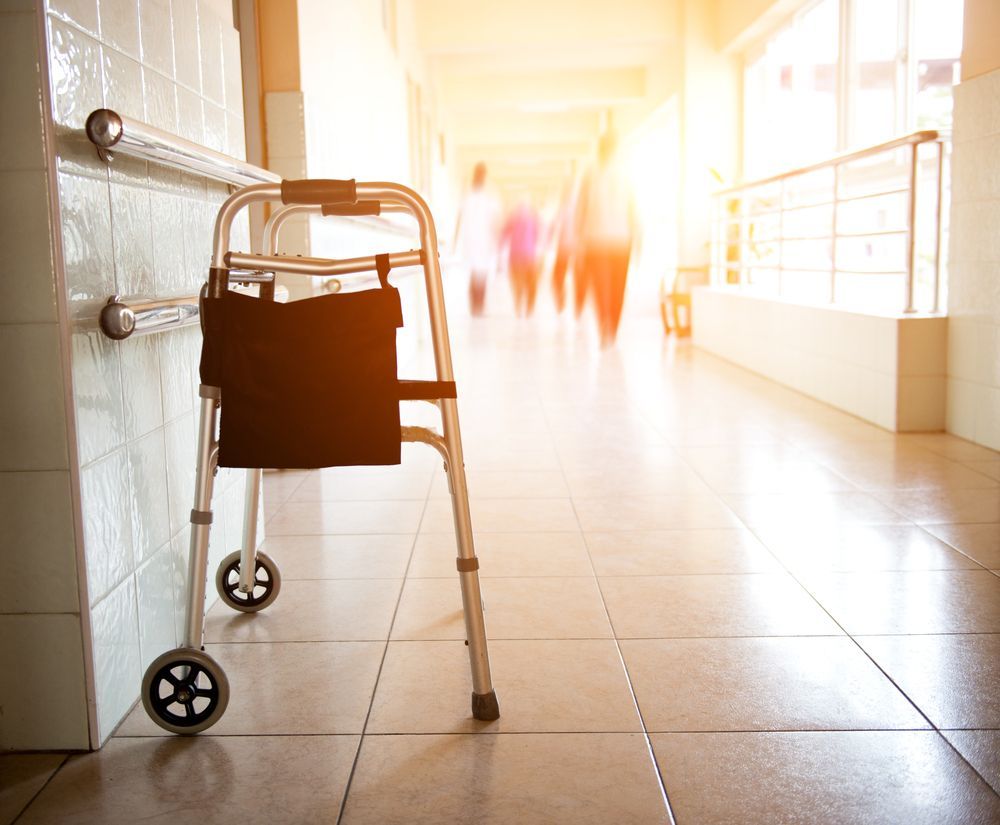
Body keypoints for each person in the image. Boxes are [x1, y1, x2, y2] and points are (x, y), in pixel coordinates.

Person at [575, 131, 636, 345]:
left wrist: (637, 236)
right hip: (601, 241)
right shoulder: (590, 174)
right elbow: (581, 208)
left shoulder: (624, 173)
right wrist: (579, 239)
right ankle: (606, 326)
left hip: (615, 240)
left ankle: (611, 328)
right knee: (603, 287)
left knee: (615, 287)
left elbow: (633, 208)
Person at [453, 162, 501, 316]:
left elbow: (459, 219)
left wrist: (455, 241)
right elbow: (494, 223)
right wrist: (496, 243)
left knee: (475, 273)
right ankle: (478, 306)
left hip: (471, 240)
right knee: (481, 274)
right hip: (482, 241)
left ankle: (475, 306)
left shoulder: (468, 196)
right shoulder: (489, 198)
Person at [502, 196, 542, 317]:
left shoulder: (512, 219)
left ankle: (518, 306)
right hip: (529, 256)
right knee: (531, 283)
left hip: (515, 256)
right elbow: (538, 236)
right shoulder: (534, 219)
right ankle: (529, 307)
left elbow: (504, 235)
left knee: (518, 283)